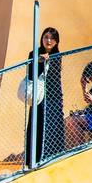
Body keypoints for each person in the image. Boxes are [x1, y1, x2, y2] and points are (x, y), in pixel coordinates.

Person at [26, 26, 65, 162]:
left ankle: (51, 158)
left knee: (53, 128)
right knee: (37, 125)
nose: (48, 41)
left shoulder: (57, 56)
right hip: (40, 97)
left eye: (52, 38)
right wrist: (40, 61)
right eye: (46, 37)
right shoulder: (34, 54)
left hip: (53, 98)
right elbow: (31, 75)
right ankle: (34, 159)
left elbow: (55, 80)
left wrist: (59, 101)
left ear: (56, 42)